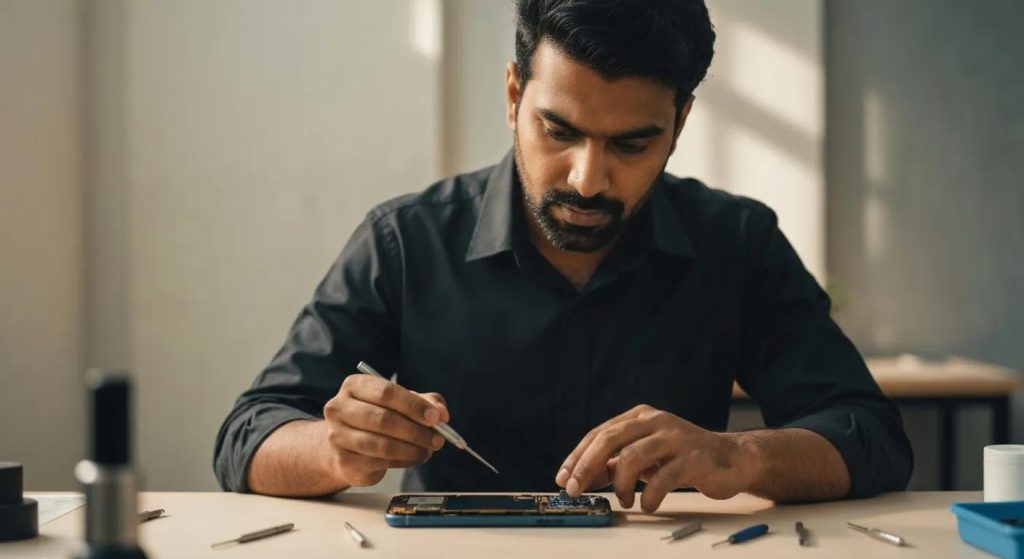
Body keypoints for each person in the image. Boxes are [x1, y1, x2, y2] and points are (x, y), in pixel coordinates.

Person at [214, 0, 913, 513]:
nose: (586, 178)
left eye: (631, 144)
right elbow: (248, 437)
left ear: (680, 124)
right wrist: (335, 450)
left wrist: (737, 454)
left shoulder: (737, 243)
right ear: (515, 95)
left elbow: (871, 436)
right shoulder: (405, 240)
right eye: (559, 129)